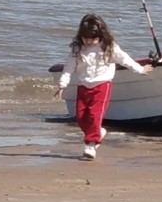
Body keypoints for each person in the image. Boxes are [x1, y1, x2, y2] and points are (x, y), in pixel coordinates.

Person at [54, 13, 154, 160]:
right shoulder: (78, 50)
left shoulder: (109, 47)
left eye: (92, 38)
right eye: (85, 37)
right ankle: (98, 132)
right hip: (83, 86)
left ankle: (91, 145)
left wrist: (139, 69)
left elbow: (124, 59)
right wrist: (62, 85)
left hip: (102, 86)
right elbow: (69, 67)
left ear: (100, 36)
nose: (89, 41)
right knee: (81, 118)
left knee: (95, 115)